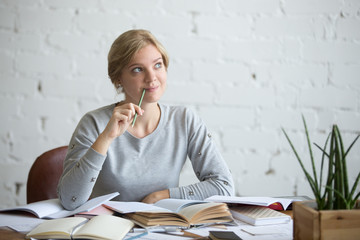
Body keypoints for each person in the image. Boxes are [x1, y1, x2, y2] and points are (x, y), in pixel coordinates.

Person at [57, 29, 234, 210]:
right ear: (118, 79)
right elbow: (70, 200)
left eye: (157, 65)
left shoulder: (184, 120)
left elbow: (224, 186)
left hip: (161, 229)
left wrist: (160, 197)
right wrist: (106, 138)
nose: (152, 78)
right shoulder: (94, 123)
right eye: (138, 69)